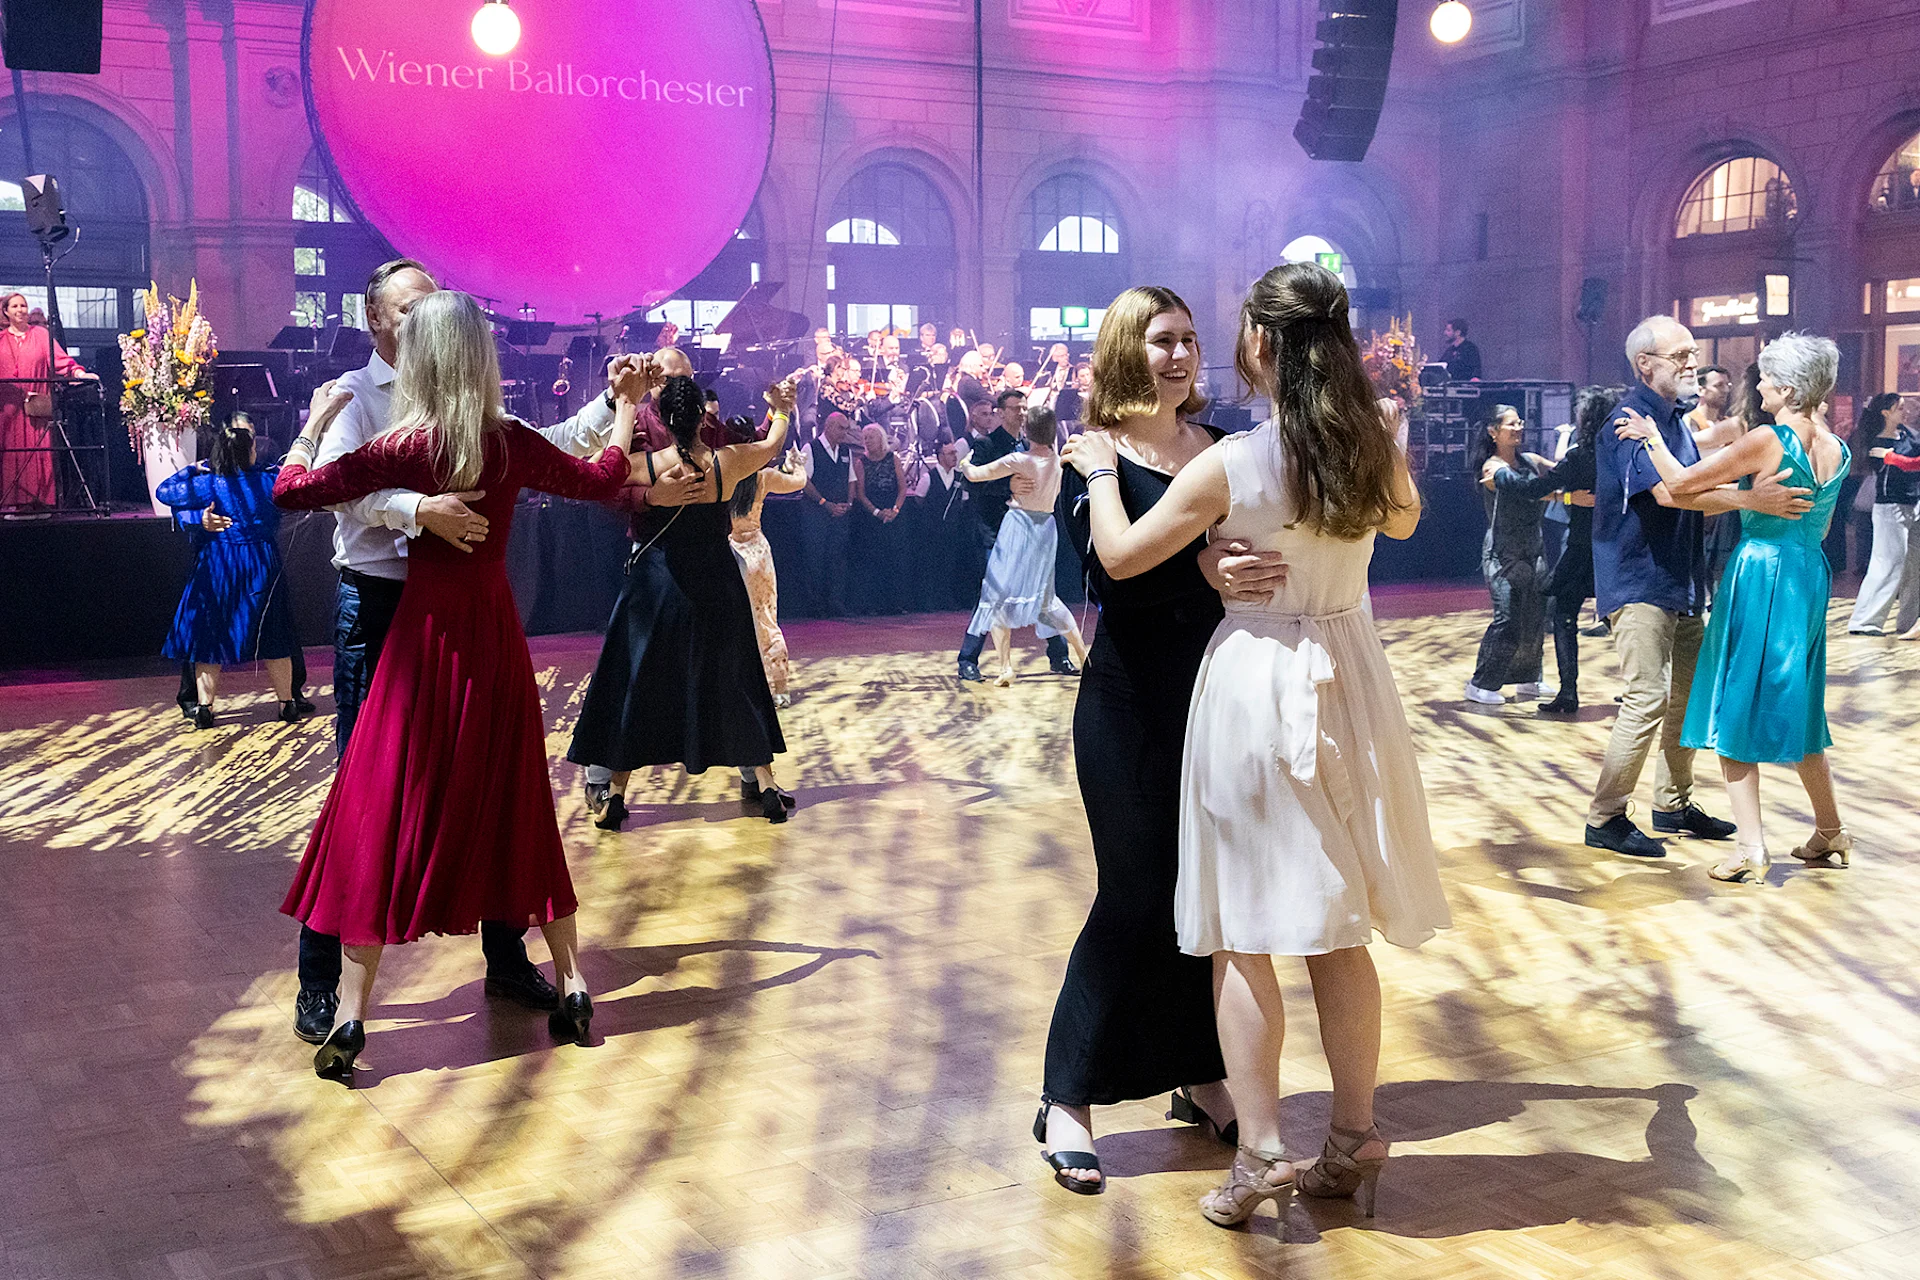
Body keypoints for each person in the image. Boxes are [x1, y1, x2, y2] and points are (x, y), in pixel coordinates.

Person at [1063, 262, 1450, 1227]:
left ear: (1261, 344)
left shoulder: (1235, 461)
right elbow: (1405, 519)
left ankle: (1262, 1153)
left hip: (1259, 682)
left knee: (1240, 929)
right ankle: (1353, 1136)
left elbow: (1118, 556)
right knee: (1340, 927)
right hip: (1351, 680)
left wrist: (1103, 474)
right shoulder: (1367, 447)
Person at [284, 259, 690, 1047]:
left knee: (468, 788)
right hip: (388, 609)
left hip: (437, 622)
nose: (418, 318)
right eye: (407, 307)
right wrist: (418, 509)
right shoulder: (368, 400)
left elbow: (301, 486)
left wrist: (612, 403)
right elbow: (354, 496)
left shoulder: (442, 432)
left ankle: (488, 966)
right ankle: (322, 987)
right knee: (370, 797)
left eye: (428, 309)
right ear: (377, 320)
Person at [1035, 286, 1264, 1198]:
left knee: (1203, 898)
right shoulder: (1093, 456)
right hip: (1127, 705)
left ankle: (1199, 1074)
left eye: (1190, 340)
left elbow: (1232, 561)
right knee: (1132, 896)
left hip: (1213, 697)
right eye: (1162, 340)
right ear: (1127, 350)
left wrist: (1225, 567)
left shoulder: (1219, 447)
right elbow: (1111, 578)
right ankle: (1065, 1095)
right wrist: (1202, 565)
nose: (1180, 355)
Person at [1615, 332, 1854, 883]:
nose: (1758, 384)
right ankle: (1830, 830)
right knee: (1801, 710)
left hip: (1762, 573)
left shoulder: (1768, 439)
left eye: (1766, 376)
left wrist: (1652, 437)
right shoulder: (1836, 448)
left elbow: (1679, 483)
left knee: (1734, 709)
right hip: (1808, 575)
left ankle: (1751, 849)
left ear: (1788, 388)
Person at [1583, 316, 1814, 860]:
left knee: (1686, 699)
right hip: (1639, 580)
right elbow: (1670, 494)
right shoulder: (1629, 421)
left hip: (1680, 581)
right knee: (1647, 697)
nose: (1693, 363)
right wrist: (1751, 499)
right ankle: (1605, 817)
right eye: (1681, 354)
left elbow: (1693, 487)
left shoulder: (1673, 421)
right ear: (1645, 364)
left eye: (1692, 353)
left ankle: (1673, 803)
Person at [567, 375, 798, 827]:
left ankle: (616, 792)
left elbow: (598, 476)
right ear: (702, 417)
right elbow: (772, 444)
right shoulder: (726, 461)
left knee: (638, 683)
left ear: (664, 418)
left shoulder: (650, 464)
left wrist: (625, 413)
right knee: (736, 678)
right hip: (716, 581)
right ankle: (766, 786)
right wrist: (782, 407)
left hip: (659, 584)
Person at [156, 416, 305, 728]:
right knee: (273, 634)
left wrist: (193, 468)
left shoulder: (209, 484)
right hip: (261, 562)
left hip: (218, 564)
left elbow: (164, 491)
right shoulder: (269, 481)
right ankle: (287, 703)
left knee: (210, 637)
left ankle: (205, 708)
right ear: (249, 451)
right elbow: (297, 484)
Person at [956, 404, 1090, 685]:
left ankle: (1006, 667)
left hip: (1018, 527)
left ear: (1028, 431)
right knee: (1047, 599)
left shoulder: (1020, 460)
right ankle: (1083, 655)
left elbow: (975, 475)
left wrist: (965, 463)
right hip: (1046, 529)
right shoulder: (1059, 462)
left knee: (996, 594)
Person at [1463, 405, 1583, 705]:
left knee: (1534, 617)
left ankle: (1529, 679)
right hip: (1505, 553)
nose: (1519, 428)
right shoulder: (1492, 467)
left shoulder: (1530, 460)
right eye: (1511, 424)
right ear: (1493, 432)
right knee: (1508, 618)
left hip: (1534, 549)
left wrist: (1574, 443)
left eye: (1520, 423)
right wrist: (1568, 497)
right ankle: (1481, 684)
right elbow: (1523, 488)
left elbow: (1560, 468)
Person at [1539, 388, 1610, 716]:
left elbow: (1539, 487)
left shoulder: (1580, 456)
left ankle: (1568, 692)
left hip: (1582, 548)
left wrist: (1505, 480)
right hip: (1614, 549)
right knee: (1622, 618)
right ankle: (1646, 688)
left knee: (1564, 615)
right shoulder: (1621, 456)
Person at [729, 437, 808, 708]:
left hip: (729, 552)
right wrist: (796, 464)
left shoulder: (722, 475)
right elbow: (799, 482)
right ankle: (780, 689)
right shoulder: (762, 478)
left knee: (731, 623)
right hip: (757, 553)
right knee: (765, 620)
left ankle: (739, 689)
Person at [0, 291, 99, 508]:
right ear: (6, 311)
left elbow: (61, 361)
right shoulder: (1, 340)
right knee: (11, 455)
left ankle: (39, 504)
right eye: (15, 306)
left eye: (23, 305)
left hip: (37, 407)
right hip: (8, 411)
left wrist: (80, 374)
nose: (20, 310)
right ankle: (12, 504)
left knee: (39, 452)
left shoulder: (41, 335)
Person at [1848, 393, 1920, 636]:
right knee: (1888, 563)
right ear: (1885, 412)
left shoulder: (1908, 435)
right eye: (1900, 408)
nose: (1905, 411)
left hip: (1914, 504)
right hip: (1891, 507)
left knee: (1914, 567)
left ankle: (1910, 622)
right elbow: (1907, 464)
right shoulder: (1876, 442)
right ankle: (1865, 621)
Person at [801, 410, 858, 616]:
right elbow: (804, 481)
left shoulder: (845, 451)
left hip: (840, 514)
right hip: (816, 514)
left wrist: (848, 503)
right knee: (815, 558)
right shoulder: (810, 448)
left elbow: (851, 479)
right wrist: (824, 503)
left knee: (837, 558)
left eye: (847, 429)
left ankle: (836, 602)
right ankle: (815, 605)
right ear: (829, 427)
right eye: (841, 428)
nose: (845, 433)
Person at [852, 423, 909, 614]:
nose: (867, 441)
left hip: (893, 511)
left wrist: (895, 510)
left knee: (895, 559)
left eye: (871, 437)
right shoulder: (861, 462)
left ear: (881, 439)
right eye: (865, 438)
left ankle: (895, 603)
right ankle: (873, 604)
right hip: (871, 515)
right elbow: (860, 494)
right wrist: (877, 512)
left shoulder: (893, 459)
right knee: (873, 560)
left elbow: (903, 488)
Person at [1440, 317, 1481, 383]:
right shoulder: (1449, 351)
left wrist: (1474, 379)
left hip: (1464, 386)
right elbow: (1441, 366)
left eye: (1448, 330)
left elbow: (1476, 369)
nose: (1445, 333)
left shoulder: (1470, 349)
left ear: (1458, 332)